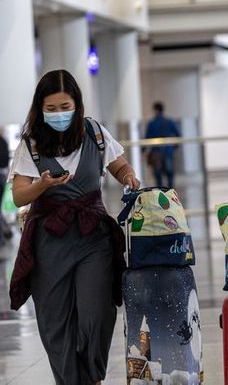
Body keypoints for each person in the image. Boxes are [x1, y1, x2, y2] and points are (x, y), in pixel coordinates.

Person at [8, 69, 141, 384]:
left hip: (91, 234)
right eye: (51, 109)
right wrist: (41, 185)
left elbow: (119, 164)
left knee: (96, 311)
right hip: (49, 240)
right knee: (55, 320)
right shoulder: (31, 143)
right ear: (40, 108)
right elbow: (17, 196)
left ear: (77, 105)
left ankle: (92, 375)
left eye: (64, 107)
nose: (58, 114)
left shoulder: (94, 133)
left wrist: (128, 177)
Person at [145, 101, 180, 188]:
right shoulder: (170, 121)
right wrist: (174, 146)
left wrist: (143, 149)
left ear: (155, 110)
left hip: (156, 152)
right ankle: (171, 192)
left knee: (158, 175)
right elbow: (178, 134)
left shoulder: (152, 123)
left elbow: (147, 138)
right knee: (169, 174)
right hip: (168, 150)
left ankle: (160, 193)